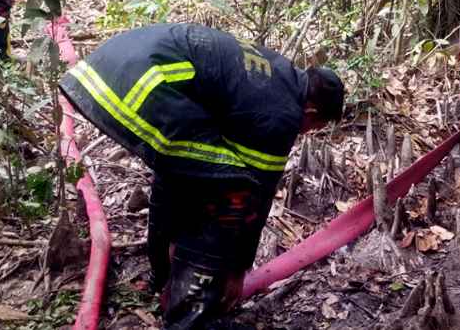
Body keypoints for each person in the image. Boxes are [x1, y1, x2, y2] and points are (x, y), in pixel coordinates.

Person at [58, 23, 346, 330]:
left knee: (191, 168)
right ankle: (189, 317)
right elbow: (255, 196)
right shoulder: (283, 115)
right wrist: (237, 272)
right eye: (314, 128)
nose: (306, 133)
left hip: (107, 70)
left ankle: (163, 274)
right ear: (312, 113)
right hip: (143, 84)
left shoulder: (278, 70)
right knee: (230, 190)